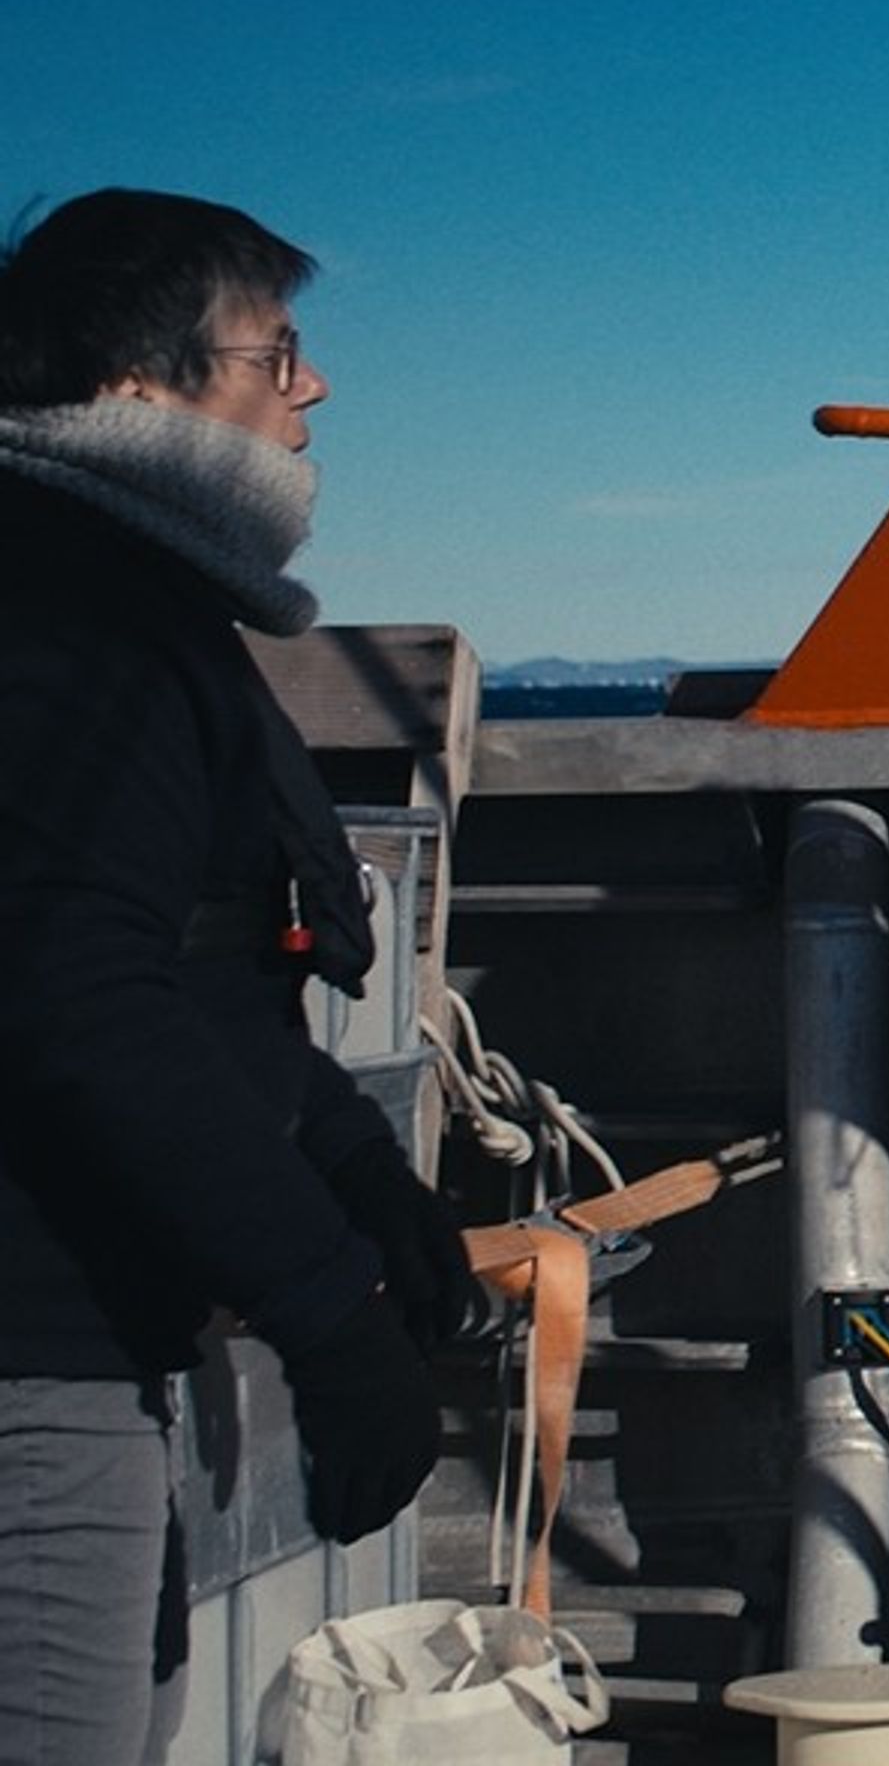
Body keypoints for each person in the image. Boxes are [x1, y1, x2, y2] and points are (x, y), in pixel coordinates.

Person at [0, 189, 474, 1765]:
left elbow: (206, 968)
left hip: (82, 1338)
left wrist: (360, 1173)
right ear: (137, 395)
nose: (313, 389)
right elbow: (84, 1007)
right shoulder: (69, 627)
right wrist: (331, 1322)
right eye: (277, 354)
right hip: (29, 1358)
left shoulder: (118, 595)